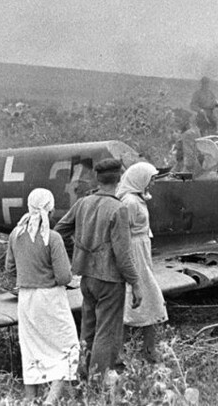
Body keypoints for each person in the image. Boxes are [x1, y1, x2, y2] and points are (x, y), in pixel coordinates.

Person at [55, 159, 142, 382]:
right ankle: (97, 382)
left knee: (88, 328)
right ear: (119, 179)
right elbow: (123, 255)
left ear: (98, 179)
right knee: (107, 332)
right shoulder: (118, 208)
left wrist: (78, 250)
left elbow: (59, 231)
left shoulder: (84, 203)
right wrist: (136, 283)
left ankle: (82, 375)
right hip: (110, 280)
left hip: (86, 277)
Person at [6, 189, 79, 405]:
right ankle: (50, 400)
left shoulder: (16, 235)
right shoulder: (53, 237)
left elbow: (10, 268)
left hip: (26, 297)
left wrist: (27, 275)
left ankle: (31, 400)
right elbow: (64, 276)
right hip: (50, 297)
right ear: (50, 208)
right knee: (67, 347)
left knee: (31, 348)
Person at [115, 162, 168, 362]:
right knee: (134, 301)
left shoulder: (137, 199)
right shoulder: (129, 202)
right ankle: (121, 351)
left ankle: (148, 349)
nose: (153, 183)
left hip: (141, 252)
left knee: (149, 299)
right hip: (134, 253)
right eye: (151, 179)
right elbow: (122, 233)